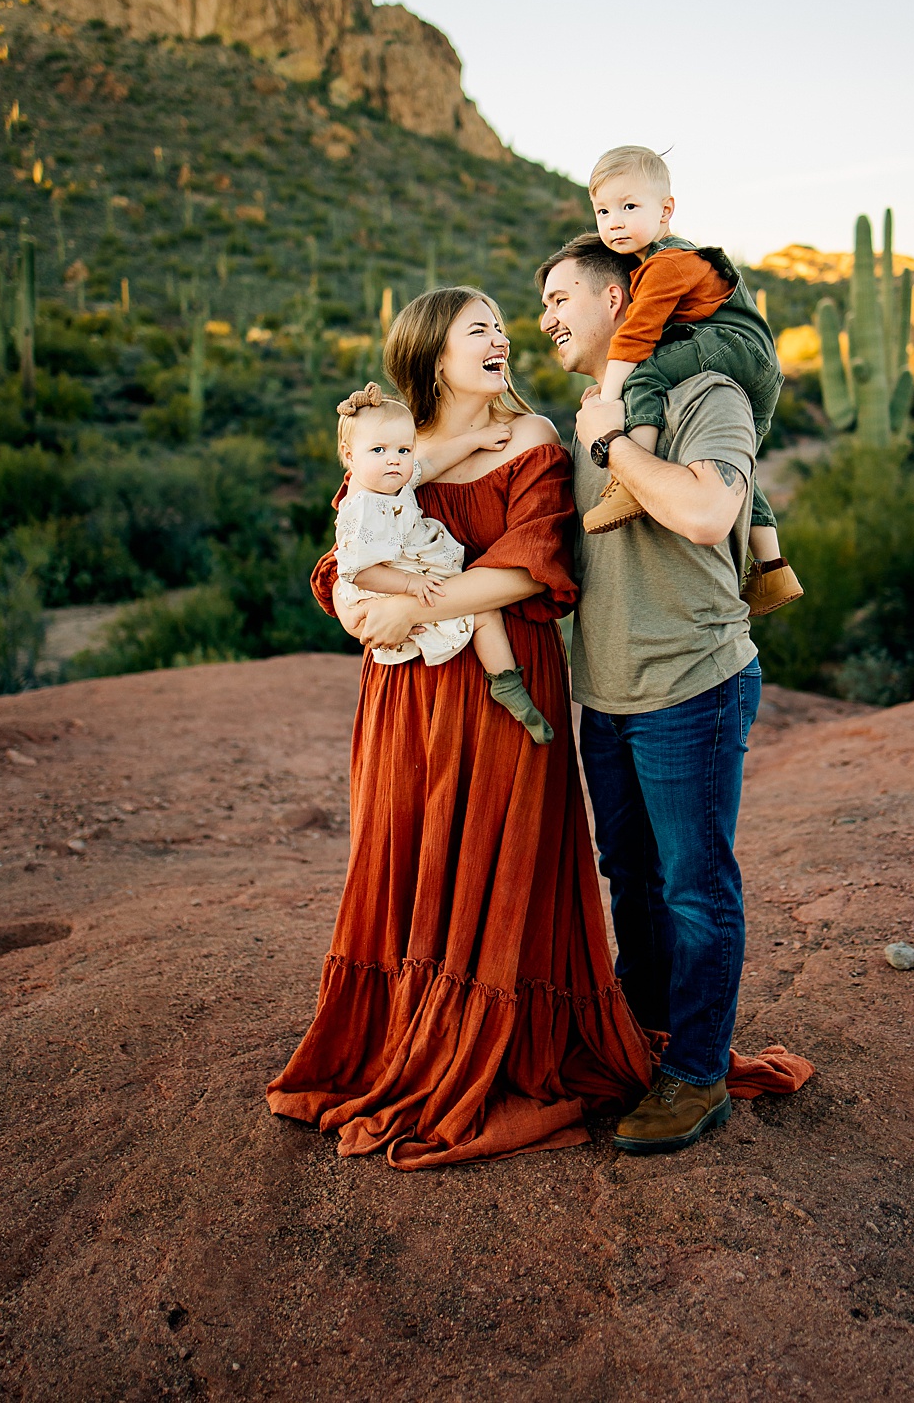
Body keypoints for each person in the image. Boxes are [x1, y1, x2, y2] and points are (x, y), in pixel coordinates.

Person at [266, 287, 653, 1167]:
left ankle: (490, 1041)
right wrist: (363, 610)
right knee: (406, 847)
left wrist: (411, 609)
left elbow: (535, 566)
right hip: (406, 694)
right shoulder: (396, 447)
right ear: (434, 350)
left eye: (501, 328)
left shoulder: (534, 439)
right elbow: (343, 553)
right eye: (479, 329)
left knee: (492, 852)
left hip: (501, 675)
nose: (501, 338)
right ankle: (402, 1034)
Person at [539, 233, 767, 1154]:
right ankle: (646, 1043)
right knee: (628, 880)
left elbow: (707, 511)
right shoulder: (590, 409)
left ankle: (697, 1077)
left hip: (692, 685)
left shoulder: (706, 395)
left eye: (561, 298)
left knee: (693, 891)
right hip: (609, 693)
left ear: (619, 300)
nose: (547, 317)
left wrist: (610, 442)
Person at [579, 144, 802, 619]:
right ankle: (772, 567)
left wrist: (610, 399)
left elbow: (636, 336)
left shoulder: (666, 263)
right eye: (602, 210)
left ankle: (627, 484)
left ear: (666, 210)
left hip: (734, 346)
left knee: (645, 369)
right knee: (743, 467)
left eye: (628, 206)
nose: (613, 221)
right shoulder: (655, 263)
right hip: (757, 365)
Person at [331, 380, 552, 742]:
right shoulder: (361, 507)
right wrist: (409, 588)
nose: (394, 459)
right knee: (482, 613)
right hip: (394, 588)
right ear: (350, 456)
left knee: (484, 615)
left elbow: (430, 463)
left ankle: (507, 682)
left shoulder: (395, 479)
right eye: (379, 450)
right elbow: (358, 570)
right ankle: (507, 683)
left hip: (419, 581)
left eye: (404, 449)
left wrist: (475, 442)